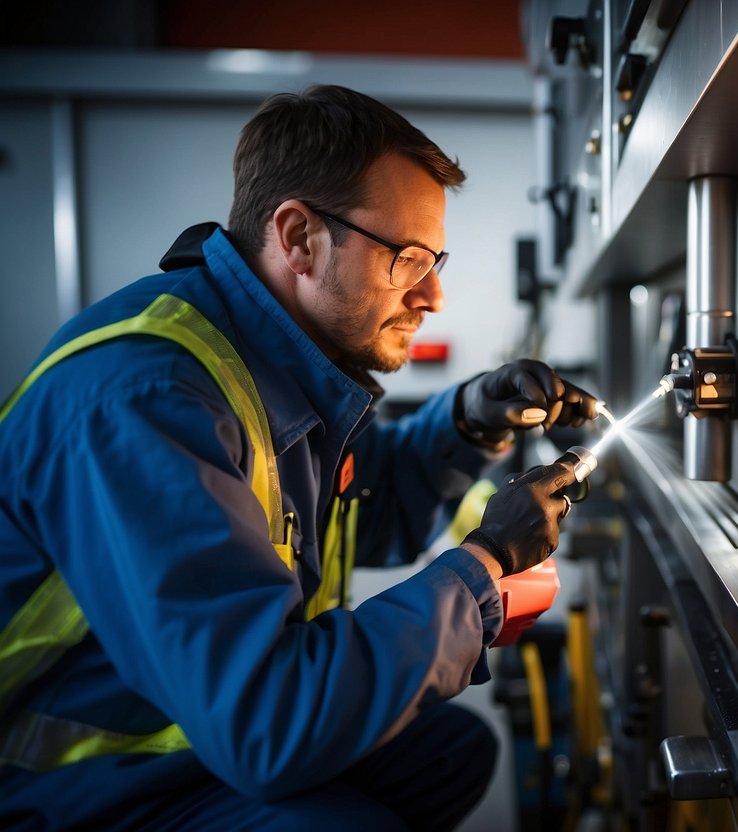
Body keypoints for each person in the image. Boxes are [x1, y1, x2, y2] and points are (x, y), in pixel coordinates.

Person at [0, 84, 596, 829]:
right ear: (298, 238)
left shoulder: (271, 366)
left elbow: (364, 512)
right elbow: (266, 725)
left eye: (433, 261)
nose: (433, 296)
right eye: (408, 260)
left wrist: (467, 422)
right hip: (58, 791)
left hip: (187, 748)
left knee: (449, 751)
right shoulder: (145, 399)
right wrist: (484, 563)